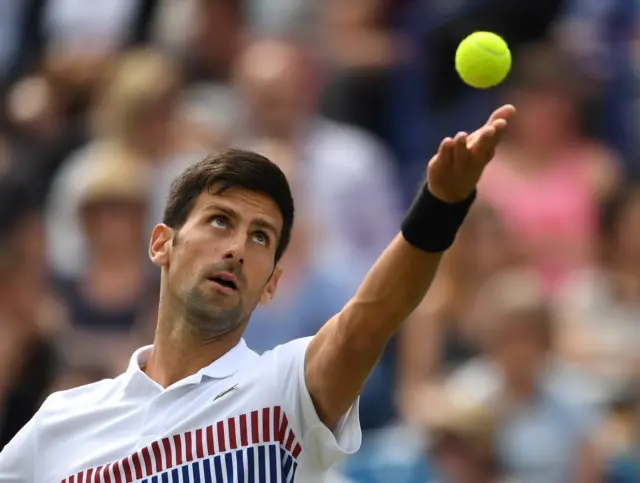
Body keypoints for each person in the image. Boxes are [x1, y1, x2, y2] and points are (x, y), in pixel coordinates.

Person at [0, 105, 515, 481]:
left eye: (261, 236)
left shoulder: (284, 393)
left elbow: (366, 326)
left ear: (271, 284)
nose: (238, 248)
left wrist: (440, 206)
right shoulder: (60, 423)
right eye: (220, 221)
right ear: (162, 244)